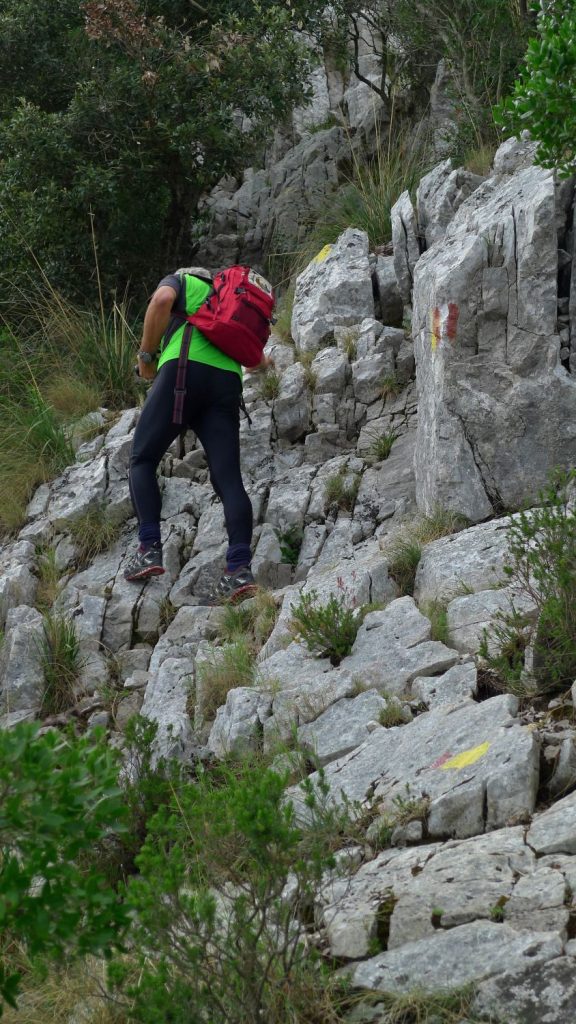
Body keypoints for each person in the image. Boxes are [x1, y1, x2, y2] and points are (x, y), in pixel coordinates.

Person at [123, 266, 273, 601]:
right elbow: (257, 361)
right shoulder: (231, 303)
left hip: (183, 372)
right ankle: (238, 568)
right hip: (226, 385)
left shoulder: (185, 282)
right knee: (228, 479)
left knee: (142, 459)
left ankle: (148, 548)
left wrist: (146, 357)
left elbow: (161, 300)